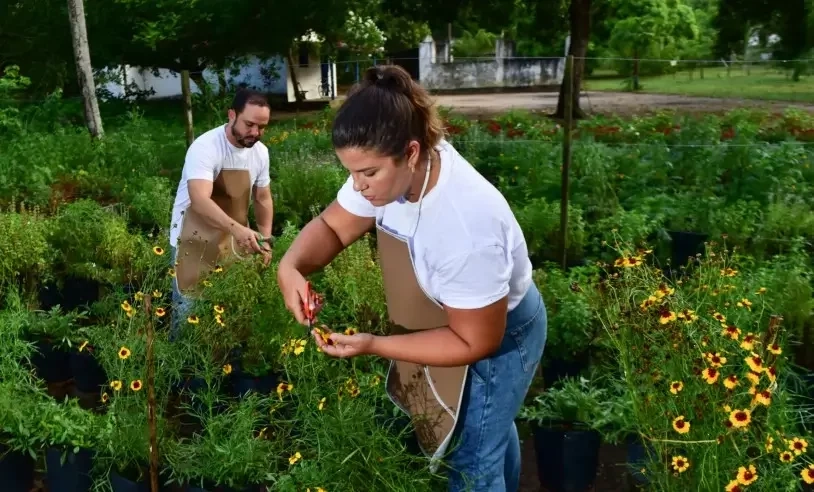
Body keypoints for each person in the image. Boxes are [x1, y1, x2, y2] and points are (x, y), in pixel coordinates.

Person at [276, 65, 547, 492]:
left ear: (414, 152)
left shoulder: (465, 225)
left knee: (471, 461)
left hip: (500, 332)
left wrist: (374, 345)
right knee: (485, 429)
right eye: (351, 173)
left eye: (368, 174)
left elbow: (473, 342)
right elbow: (332, 227)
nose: (358, 187)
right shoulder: (385, 172)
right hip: (447, 321)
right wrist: (290, 267)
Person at [169, 88, 274, 334]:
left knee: (229, 317)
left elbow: (263, 197)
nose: (255, 133)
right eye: (249, 124)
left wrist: (265, 237)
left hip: (231, 241)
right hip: (192, 240)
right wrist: (238, 229)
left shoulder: (260, 153)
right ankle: (182, 370)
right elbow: (199, 199)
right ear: (231, 115)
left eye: (262, 127)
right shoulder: (206, 147)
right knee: (189, 316)